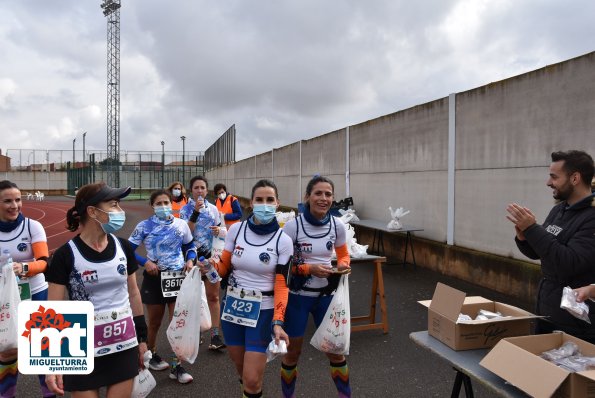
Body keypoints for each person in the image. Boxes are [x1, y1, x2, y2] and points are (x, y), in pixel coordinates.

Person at [45, 182, 149, 397]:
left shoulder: (123, 247)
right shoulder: (65, 255)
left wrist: (142, 339)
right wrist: (52, 363)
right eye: (113, 205)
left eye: (119, 205)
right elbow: (53, 309)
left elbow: (133, 293)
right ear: (92, 211)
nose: (120, 211)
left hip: (123, 343)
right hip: (81, 348)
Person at [202, 179, 292, 398]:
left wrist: (278, 322)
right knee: (243, 371)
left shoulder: (284, 240)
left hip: (263, 311)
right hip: (232, 308)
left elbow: (282, 284)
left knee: (252, 380)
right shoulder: (235, 231)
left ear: (277, 204)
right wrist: (207, 267)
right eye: (259, 200)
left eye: (269, 200)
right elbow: (223, 268)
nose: (264, 204)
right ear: (250, 203)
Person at [506, 150, 595, 343]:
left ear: (575, 178)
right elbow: (540, 252)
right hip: (547, 312)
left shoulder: (591, 217)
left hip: (576, 324)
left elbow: (568, 263)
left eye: (554, 177)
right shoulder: (559, 210)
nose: (548, 183)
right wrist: (524, 238)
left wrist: (533, 229)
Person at [280, 175, 352, 398]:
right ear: (307, 197)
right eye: (318, 193)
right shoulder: (292, 227)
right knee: (293, 353)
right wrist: (308, 269)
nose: (323, 198)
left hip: (326, 298)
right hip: (298, 298)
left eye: (328, 194)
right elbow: (282, 265)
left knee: (335, 352)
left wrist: (342, 266)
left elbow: (344, 256)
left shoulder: (337, 225)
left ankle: (345, 395)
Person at [128, 189, 197, 383]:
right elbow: (128, 250)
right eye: (159, 203)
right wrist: (145, 262)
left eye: (166, 202)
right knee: (155, 322)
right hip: (154, 278)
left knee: (178, 323)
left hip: (177, 277)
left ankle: (177, 366)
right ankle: (151, 356)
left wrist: (190, 260)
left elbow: (190, 246)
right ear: (152, 206)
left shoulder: (181, 224)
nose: (163, 206)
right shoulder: (144, 226)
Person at [0, 180, 54, 398]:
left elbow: (43, 262)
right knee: (7, 348)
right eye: (7, 201)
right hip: (4, 298)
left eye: (18, 199)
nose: (15, 205)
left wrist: (23, 267)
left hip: (35, 292)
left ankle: (49, 394)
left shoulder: (33, 226)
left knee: (41, 348)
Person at [180, 176, 226, 350]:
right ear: (191, 190)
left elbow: (223, 232)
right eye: (196, 188)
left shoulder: (214, 209)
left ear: (207, 191)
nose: (200, 191)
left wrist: (218, 231)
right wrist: (196, 212)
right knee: (193, 299)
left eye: (203, 188)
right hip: (191, 260)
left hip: (209, 259)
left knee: (213, 297)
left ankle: (215, 335)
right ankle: (196, 331)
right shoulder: (185, 210)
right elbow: (186, 233)